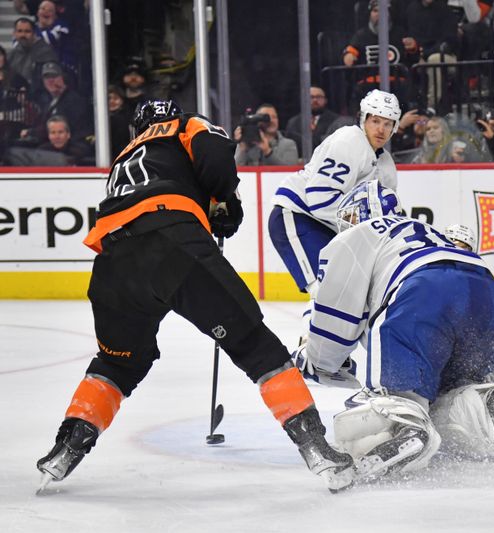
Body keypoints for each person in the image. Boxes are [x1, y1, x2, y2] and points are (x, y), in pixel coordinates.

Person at [35, 100, 354, 492]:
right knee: (256, 346)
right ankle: (316, 446)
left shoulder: (124, 157)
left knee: (116, 363)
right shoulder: (185, 125)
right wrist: (226, 202)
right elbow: (216, 157)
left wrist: (209, 206)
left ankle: (66, 447)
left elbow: (160, 187)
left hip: (114, 262)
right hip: (174, 243)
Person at [293, 181, 494, 480]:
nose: (345, 226)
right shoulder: (425, 230)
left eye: (349, 218)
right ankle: (485, 403)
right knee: (448, 393)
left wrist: (314, 360)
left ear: (362, 213)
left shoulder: (358, 235)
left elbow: (335, 319)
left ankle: (404, 426)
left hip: (425, 293)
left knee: (392, 398)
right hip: (485, 295)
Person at [268, 89, 400, 299]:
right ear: (363, 119)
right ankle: (310, 332)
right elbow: (320, 199)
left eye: (387, 123)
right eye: (375, 121)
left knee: (352, 295)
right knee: (326, 293)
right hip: (298, 217)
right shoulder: (348, 141)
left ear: (395, 127)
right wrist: (364, 225)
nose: (381, 129)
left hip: (331, 228)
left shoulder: (386, 164)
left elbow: (389, 217)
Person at [284, 86, 341, 159]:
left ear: (325, 100)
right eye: (311, 97)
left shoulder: (336, 121)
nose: (315, 100)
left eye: (319, 97)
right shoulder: (293, 122)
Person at [233, 103, 299, 166]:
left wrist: (268, 152)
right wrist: (243, 149)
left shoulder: (288, 144)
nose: (271, 121)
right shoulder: (247, 144)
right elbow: (232, 171)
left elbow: (291, 172)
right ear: (256, 120)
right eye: (266, 117)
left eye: (274, 117)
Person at [7, 17, 58, 90]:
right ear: (14, 33)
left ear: (34, 33)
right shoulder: (11, 55)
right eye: (19, 31)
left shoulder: (46, 53)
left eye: (27, 31)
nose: (23, 35)